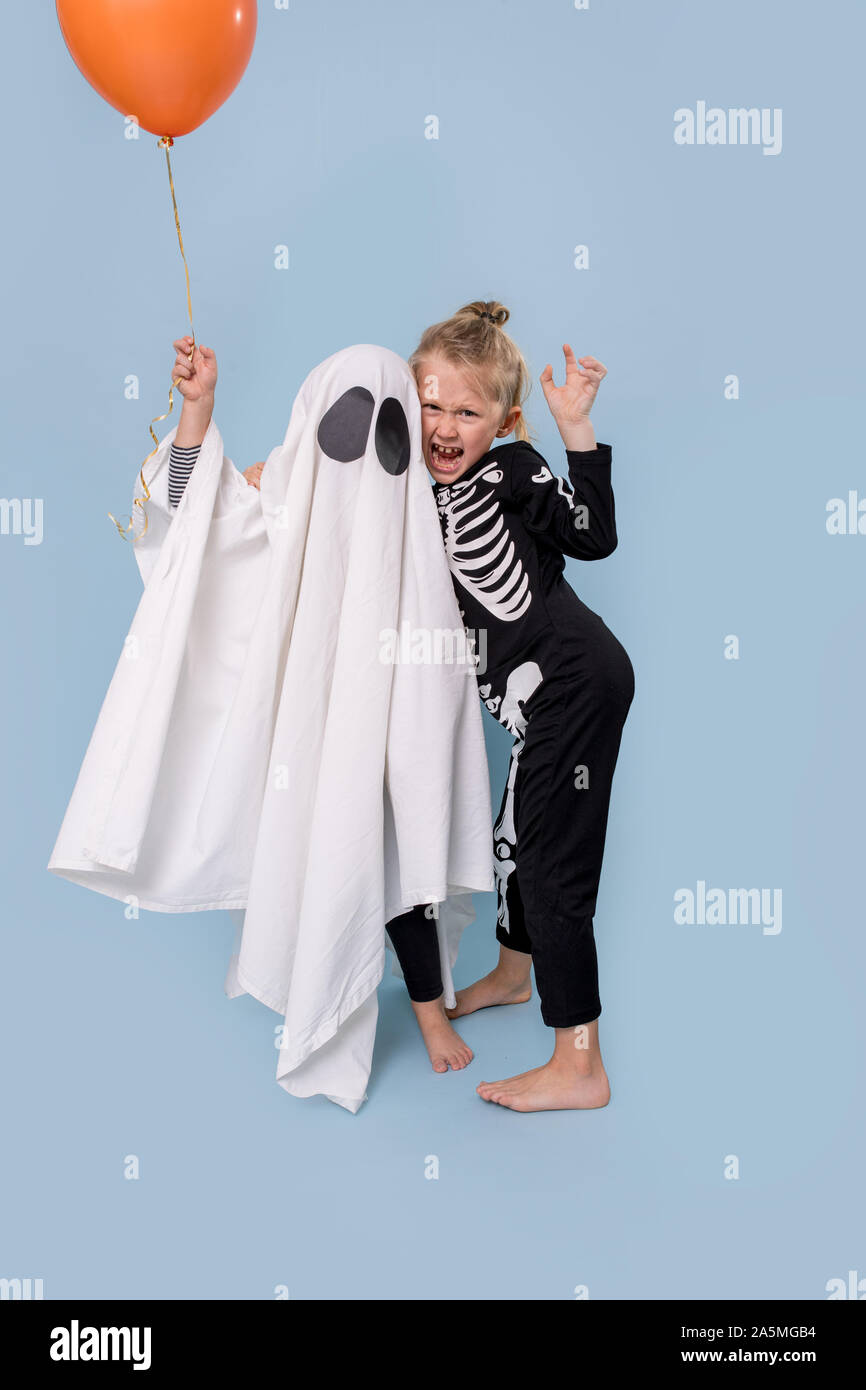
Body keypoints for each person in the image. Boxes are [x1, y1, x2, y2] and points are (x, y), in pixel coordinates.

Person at [170, 298, 635, 1113]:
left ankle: (580, 1060)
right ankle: (514, 978)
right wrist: (224, 440)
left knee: (555, 864)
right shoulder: (407, 486)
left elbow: (593, 536)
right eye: (430, 407)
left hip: (576, 681)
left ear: (507, 420)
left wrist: (576, 436)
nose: (445, 428)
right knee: (513, 841)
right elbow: (257, 503)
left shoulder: (513, 469)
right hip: (529, 706)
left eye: (468, 411)